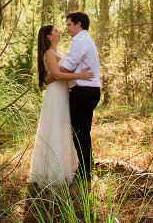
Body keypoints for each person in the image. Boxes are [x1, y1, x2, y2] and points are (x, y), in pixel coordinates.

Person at [29, 24, 93, 187]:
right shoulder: (49, 53)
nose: (60, 32)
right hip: (55, 95)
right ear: (49, 37)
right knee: (55, 129)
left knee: (63, 129)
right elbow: (57, 75)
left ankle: (65, 168)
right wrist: (81, 75)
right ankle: (52, 172)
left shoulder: (57, 52)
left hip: (63, 94)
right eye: (56, 31)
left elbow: (55, 74)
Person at [59, 11, 101, 188]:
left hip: (83, 91)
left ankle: (84, 173)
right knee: (83, 131)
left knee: (79, 133)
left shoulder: (80, 41)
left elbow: (68, 67)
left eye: (69, 25)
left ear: (79, 24)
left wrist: (53, 71)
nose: (67, 28)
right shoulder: (85, 40)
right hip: (90, 90)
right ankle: (87, 168)